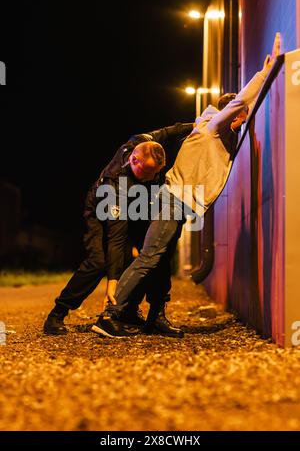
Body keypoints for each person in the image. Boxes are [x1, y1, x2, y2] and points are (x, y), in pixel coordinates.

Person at [95, 54, 276, 337]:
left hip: (178, 202)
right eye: (242, 116)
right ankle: (109, 315)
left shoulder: (210, 130)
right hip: (174, 200)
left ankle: (155, 317)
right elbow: (241, 102)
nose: (244, 120)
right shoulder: (214, 129)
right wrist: (264, 74)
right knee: (149, 257)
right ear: (233, 114)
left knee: (160, 261)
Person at [43, 122, 193, 336]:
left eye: (155, 173)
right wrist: (112, 282)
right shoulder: (115, 185)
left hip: (137, 205)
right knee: (99, 262)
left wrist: (199, 125)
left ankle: (144, 313)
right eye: (148, 173)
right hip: (99, 210)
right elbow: (116, 237)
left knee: (154, 253)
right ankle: (56, 315)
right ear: (133, 160)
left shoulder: (144, 142)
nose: (152, 178)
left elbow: (172, 131)